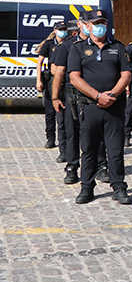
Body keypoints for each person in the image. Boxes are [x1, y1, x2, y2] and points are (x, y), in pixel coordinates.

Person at [68, 9, 132, 205]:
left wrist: (111, 94)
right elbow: (74, 78)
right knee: (88, 149)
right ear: (86, 26)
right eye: (95, 23)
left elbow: (126, 75)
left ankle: (119, 187)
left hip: (114, 105)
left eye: (102, 22)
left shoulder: (118, 46)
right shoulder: (78, 48)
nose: (100, 26)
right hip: (90, 106)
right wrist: (97, 96)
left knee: (115, 149)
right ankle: (87, 187)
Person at [51, 20, 83, 184]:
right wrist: (55, 97)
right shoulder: (67, 45)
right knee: (71, 133)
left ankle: (100, 166)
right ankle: (72, 168)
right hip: (71, 94)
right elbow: (57, 71)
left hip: (91, 95)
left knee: (95, 134)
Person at [36, 21, 67, 152]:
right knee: (49, 112)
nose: (62, 31)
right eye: (60, 29)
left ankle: (63, 141)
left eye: (64, 29)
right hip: (50, 81)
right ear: (55, 31)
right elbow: (39, 62)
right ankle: (50, 139)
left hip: (64, 81)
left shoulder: (68, 43)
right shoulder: (49, 44)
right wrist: (38, 80)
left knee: (62, 113)